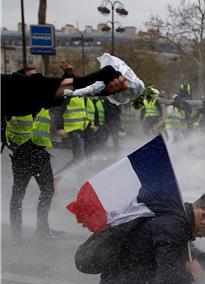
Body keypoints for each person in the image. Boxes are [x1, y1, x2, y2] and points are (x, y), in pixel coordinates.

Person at [3, 66, 59, 240]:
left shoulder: (41, 98)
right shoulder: (12, 100)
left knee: (48, 190)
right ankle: (16, 234)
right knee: (18, 193)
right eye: (32, 77)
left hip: (41, 152)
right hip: (22, 153)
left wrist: (70, 75)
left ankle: (42, 228)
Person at [1, 63, 127, 118]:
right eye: (33, 78)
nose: (39, 80)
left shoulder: (25, 98)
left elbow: (46, 91)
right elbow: (39, 88)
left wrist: (94, 85)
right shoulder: (21, 90)